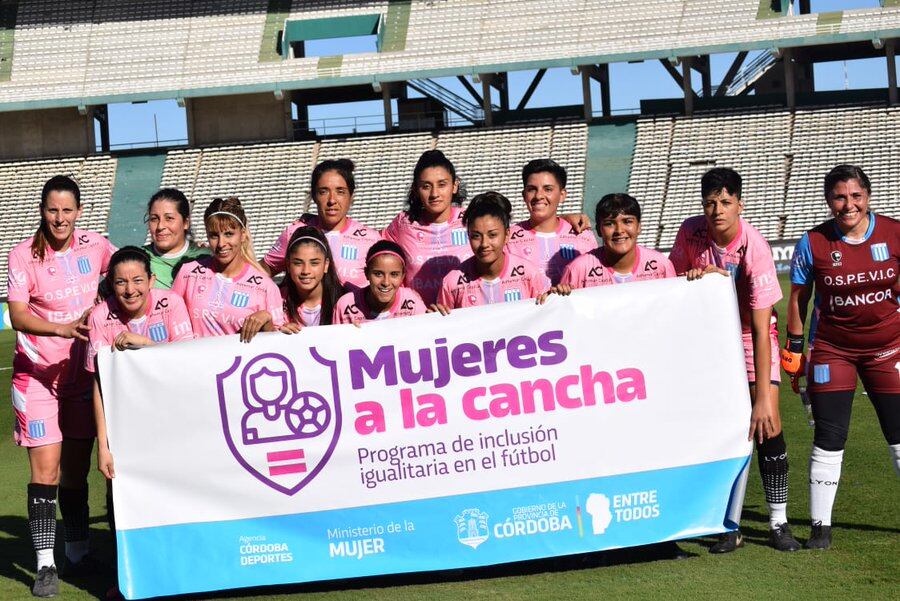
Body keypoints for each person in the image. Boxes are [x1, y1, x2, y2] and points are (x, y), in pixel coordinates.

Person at [669, 167, 800, 553]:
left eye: (725, 202)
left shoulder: (755, 248)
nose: (717, 210)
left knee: (767, 425)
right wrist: (697, 280)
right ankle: (728, 524)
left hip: (747, 337)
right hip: (709, 337)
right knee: (723, 429)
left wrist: (762, 395)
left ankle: (779, 523)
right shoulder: (689, 231)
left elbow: (762, 331)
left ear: (739, 204)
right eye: (710, 202)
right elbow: (674, 284)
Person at [6, 175, 115, 597]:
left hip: (81, 376)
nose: (60, 218)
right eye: (53, 210)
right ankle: (46, 564)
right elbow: (17, 315)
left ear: (80, 212)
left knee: (74, 471)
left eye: (68, 210)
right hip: (36, 377)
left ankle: (78, 552)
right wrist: (63, 329)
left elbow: (121, 275)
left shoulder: (95, 244)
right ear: (41, 211)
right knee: (46, 471)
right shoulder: (23, 256)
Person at [783, 164, 899, 550]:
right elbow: (799, 298)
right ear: (828, 200)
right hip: (833, 350)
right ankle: (820, 529)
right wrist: (795, 348)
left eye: (855, 196)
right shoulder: (812, 242)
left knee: (898, 434)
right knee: (829, 436)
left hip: (889, 349)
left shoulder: (894, 233)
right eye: (839, 197)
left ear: (867, 196)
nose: (848, 204)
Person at [87, 246, 194, 479]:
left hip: (173, 414)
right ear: (111, 285)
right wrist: (103, 447)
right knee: (123, 488)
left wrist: (145, 344)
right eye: (120, 282)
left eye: (137, 280)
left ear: (151, 280)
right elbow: (99, 387)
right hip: (125, 421)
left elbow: (186, 362)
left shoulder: (172, 303)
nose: (130, 290)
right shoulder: (99, 316)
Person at [172, 197, 284, 341]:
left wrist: (267, 321)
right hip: (193, 362)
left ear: (243, 234)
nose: (221, 244)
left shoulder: (266, 287)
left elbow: (277, 345)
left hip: (240, 363)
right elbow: (169, 319)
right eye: (214, 235)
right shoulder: (188, 273)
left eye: (229, 234)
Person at [262, 159, 381, 291]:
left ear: (351, 196)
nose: (332, 200)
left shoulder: (371, 239)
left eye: (340, 191)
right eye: (323, 191)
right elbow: (262, 271)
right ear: (314, 195)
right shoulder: (295, 232)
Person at [382, 150, 473, 306]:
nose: (434, 194)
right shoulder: (402, 224)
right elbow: (374, 258)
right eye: (426, 186)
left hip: (465, 319)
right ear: (416, 190)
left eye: (442, 184)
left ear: (455, 186)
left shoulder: (471, 219)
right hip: (418, 321)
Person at [433, 191, 547, 311]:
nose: (484, 244)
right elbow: (444, 327)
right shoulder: (452, 283)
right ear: (468, 236)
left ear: (507, 235)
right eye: (476, 236)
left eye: (492, 235)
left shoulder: (528, 274)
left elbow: (544, 317)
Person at [506, 159, 598, 285]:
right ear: (524, 195)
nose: (539, 196)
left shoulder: (583, 236)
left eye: (548, 189)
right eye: (532, 189)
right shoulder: (508, 238)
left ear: (562, 195)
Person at [559, 193, 675, 289]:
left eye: (627, 221)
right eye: (609, 223)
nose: (619, 231)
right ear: (599, 230)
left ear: (639, 227)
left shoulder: (661, 265)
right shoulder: (577, 269)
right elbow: (563, 312)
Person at [332, 240, 427, 324]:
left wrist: (437, 317)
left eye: (394, 274)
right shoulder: (345, 305)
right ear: (366, 273)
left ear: (403, 276)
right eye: (378, 274)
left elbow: (426, 335)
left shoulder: (412, 302)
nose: (386, 283)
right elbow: (337, 341)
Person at [142, 188, 209, 289]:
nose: (160, 226)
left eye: (169, 218)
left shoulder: (207, 258)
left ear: (186, 223)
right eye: (154, 219)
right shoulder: (137, 259)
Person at [279, 226, 343, 330]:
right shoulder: (276, 300)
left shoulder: (345, 301)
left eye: (314, 263)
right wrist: (275, 331)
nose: (306, 271)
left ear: (326, 265)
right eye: (298, 263)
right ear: (288, 265)